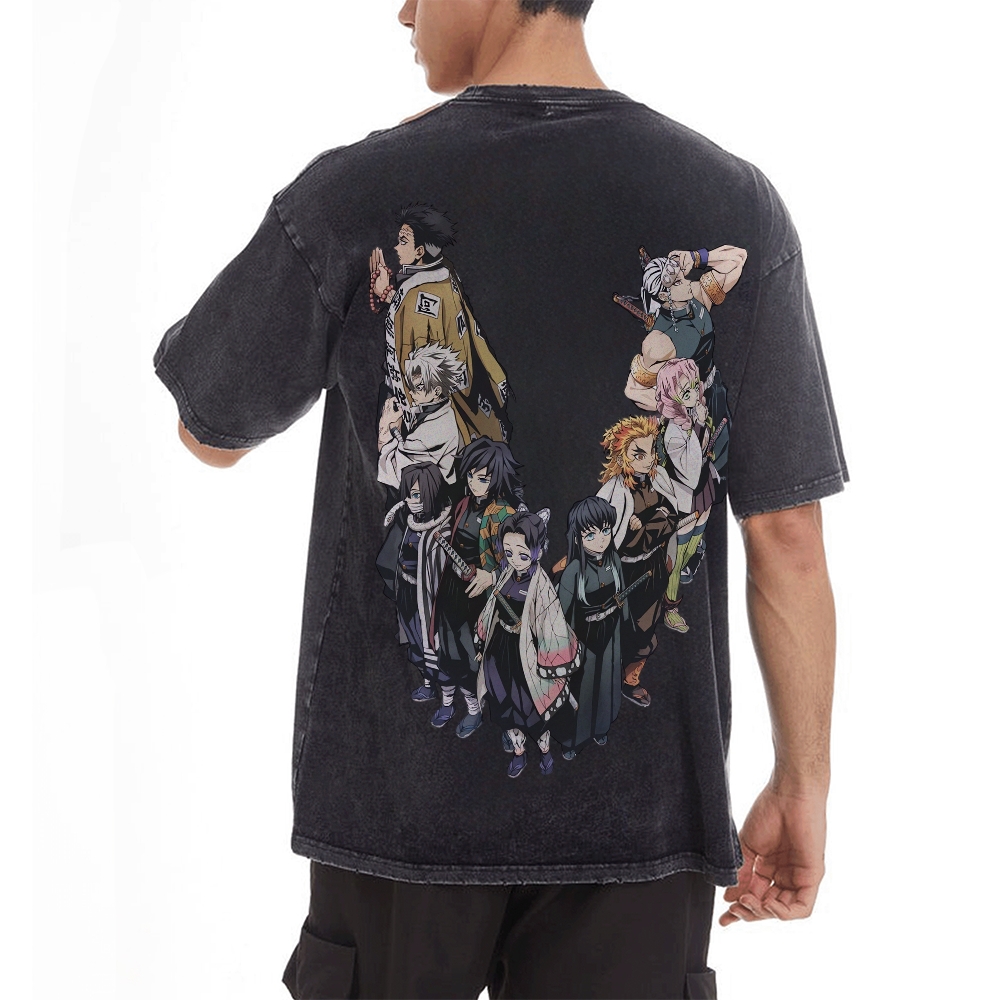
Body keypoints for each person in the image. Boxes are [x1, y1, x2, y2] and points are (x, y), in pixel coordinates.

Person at [154, 1, 848, 996]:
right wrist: (802, 781)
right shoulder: (732, 203)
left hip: (399, 817)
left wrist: (358, 196)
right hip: (641, 830)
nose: (401, 10)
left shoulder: (360, 190)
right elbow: (787, 534)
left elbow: (209, 426)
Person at [475, 508, 581, 777]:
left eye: (522, 554)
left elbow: (552, 626)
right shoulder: (505, 574)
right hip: (499, 651)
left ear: (538, 551)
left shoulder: (541, 585)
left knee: (532, 709)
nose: (515, 559)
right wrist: (483, 644)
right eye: (509, 552)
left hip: (528, 657)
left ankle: (544, 751)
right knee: (504, 707)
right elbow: (491, 610)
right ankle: (519, 753)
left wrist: (549, 664)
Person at [551, 495, 629, 759]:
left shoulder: (614, 561)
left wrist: (624, 623)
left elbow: (623, 598)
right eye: (591, 535)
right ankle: (575, 739)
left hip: (611, 636)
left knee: (608, 682)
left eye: (606, 531)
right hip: (583, 639)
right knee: (582, 689)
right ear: (578, 538)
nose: (601, 540)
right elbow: (561, 613)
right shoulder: (574, 570)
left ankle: (601, 727)